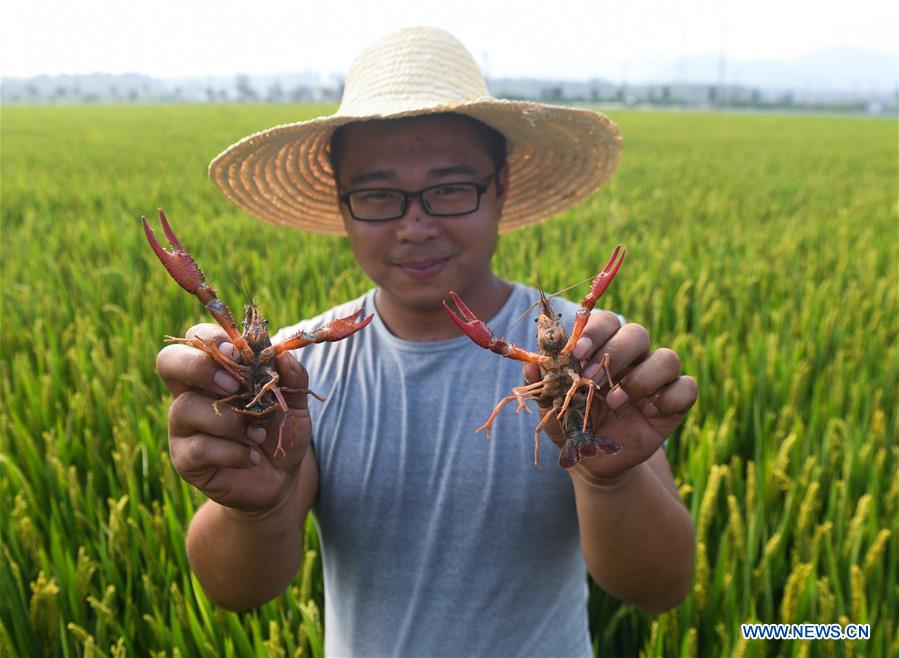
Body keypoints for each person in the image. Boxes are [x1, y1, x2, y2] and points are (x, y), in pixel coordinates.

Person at [156, 27, 697, 657]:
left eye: (449, 188)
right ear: (342, 205)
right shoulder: (294, 367)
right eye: (379, 194)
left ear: (501, 189)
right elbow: (237, 591)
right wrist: (253, 508)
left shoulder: (595, 358)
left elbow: (662, 587)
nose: (416, 225)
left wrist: (612, 481)